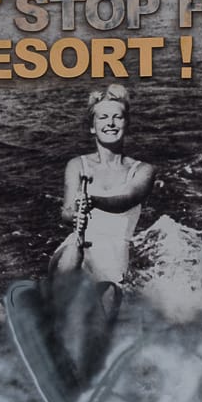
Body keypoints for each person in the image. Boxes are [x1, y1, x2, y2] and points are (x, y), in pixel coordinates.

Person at [48, 84, 155, 286]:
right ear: (92, 126)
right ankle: (55, 306)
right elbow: (66, 213)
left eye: (117, 117)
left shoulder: (144, 170)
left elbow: (127, 199)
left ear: (127, 123)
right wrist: (75, 214)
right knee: (73, 253)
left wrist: (94, 201)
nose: (111, 123)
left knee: (105, 296)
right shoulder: (77, 165)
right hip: (75, 249)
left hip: (113, 259)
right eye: (103, 117)